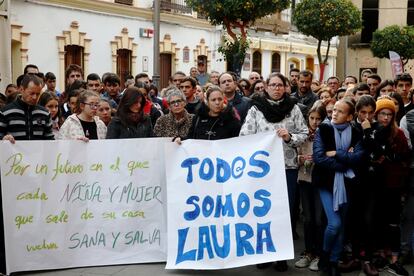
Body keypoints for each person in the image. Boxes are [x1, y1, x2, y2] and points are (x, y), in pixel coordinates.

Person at [240, 72, 308, 272]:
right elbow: (244, 135)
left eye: (280, 85)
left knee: (284, 212)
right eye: (273, 85)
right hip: (262, 171)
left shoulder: (293, 108)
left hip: (286, 168)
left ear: (286, 87)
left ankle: (281, 256)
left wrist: (290, 137)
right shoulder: (256, 109)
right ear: (266, 87)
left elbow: (304, 133)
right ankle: (264, 253)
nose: (277, 89)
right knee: (263, 212)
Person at [313, 98, 364, 276]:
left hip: (347, 185)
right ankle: (325, 256)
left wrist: (336, 153)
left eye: (340, 111)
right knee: (334, 224)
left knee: (342, 227)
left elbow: (359, 157)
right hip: (326, 183)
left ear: (350, 117)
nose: (334, 113)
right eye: (334, 109)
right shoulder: (324, 129)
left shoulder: (356, 132)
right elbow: (319, 157)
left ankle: (333, 262)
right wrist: (344, 163)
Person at [361, 97, 410, 276]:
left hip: (394, 185)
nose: (386, 118)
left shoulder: (399, 134)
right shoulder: (373, 131)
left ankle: (394, 260)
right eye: (382, 113)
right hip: (376, 184)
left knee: (393, 223)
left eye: (390, 114)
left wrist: (390, 159)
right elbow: (372, 153)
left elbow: (404, 157)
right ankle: (381, 254)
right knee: (378, 222)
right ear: (376, 114)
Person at [295, 103, 327, 272]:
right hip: (305, 179)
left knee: (319, 219)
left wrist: (318, 158)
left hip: (321, 181)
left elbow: (331, 157)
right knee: (307, 219)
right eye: (312, 118)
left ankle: (319, 254)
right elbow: (293, 154)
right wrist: (300, 158)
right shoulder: (303, 134)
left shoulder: (327, 134)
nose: (315, 122)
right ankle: (308, 252)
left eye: (319, 119)